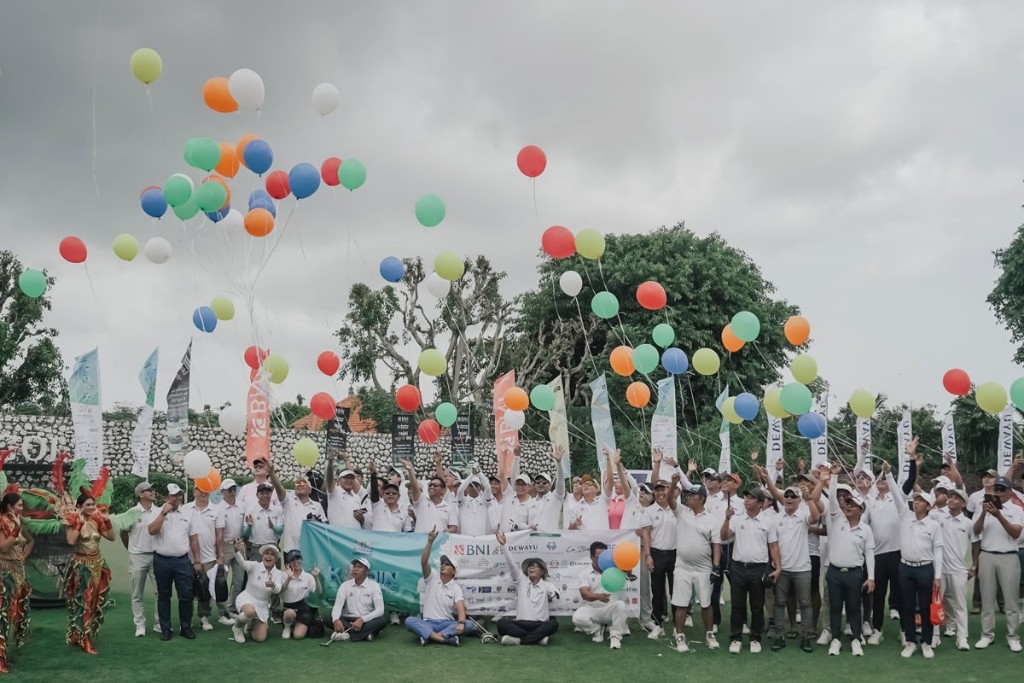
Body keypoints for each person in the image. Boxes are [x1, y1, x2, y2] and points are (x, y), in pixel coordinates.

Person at [882, 458, 944, 659]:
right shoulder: (905, 515)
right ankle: (910, 641)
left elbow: (938, 551)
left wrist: (938, 576)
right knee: (906, 606)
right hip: (905, 568)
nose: (915, 502)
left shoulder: (934, 525)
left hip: (926, 569)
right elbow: (896, 493)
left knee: (925, 606)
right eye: (915, 500)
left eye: (920, 501)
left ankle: (926, 641)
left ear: (928, 506)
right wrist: (889, 473)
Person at [760, 466, 823, 653]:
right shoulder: (776, 519)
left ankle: (805, 637)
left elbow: (816, 517)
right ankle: (780, 636)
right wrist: (777, 566)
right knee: (779, 603)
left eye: (792, 497)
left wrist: (809, 498)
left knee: (805, 603)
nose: (788, 499)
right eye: (786, 496)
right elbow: (774, 546)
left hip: (803, 568)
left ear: (798, 501)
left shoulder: (803, 515)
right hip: (783, 569)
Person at [720, 481, 781, 654]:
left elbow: (773, 546)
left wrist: (778, 567)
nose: (746, 500)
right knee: (737, 605)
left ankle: (755, 638)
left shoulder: (768, 522)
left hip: (759, 569)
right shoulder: (737, 519)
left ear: (760, 503)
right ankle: (736, 637)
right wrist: (726, 518)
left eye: (751, 498)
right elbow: (724, 536)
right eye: (746, 497)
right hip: (738, 567)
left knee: (756, 605)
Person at [824, 463, 876, 657]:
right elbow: (831, 499)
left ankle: (856, 639)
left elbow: (869, 553)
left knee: (854, 608)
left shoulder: (866, 530)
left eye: (851, 505)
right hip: (835, 572)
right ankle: (835, 640)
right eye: (846, 504)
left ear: (860, 510)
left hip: (855, 573)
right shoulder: (837, 519)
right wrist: (834, 477)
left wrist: (871, 577)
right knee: (835, 608)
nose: (846, 506)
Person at [665, 473, 721, 653]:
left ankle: (709, 634)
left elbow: (716, 546)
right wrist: (673, 484)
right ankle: (680, 636)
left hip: (704, 568)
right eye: (687, 495)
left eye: (692, 495)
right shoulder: (682, 512)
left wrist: (716, 567)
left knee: (706, 604)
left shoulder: (711, 519)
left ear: (702, 499)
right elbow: (669, 500)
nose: (688, 497)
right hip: (682, 566)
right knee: (680, 603)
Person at [972, 475, 1023, 652]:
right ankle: (986, 635)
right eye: (996, 489)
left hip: (1008, 556)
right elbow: (976, 530)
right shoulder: (983, 507)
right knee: (986, 599)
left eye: (1002, 489)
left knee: (1011, 601)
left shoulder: (1016, 509)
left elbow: (1015, 533)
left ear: (1009, 492)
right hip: (987, 555)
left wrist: (998, 514)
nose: (998, 493)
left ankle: (1013, 636)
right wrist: (985, 514)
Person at [63, 492, 115, 654]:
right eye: (88, 505)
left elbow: (111, 537)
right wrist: (79, 523)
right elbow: (71, 541)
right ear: (79, 507)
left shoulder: (96, 520)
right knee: (82, 602)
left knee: (95, 602)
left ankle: (79, 633)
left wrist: (106, 519)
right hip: (81, 567)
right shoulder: (71, 520)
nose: (92, 507)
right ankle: (83, 637)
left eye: (93, 504)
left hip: (98, 565)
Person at [405, 529, 475, 645]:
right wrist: (430, 542)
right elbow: (423, 562)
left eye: (447, 564)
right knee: (409, 621)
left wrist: (461, 623)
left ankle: (428, 636)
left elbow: (461, 607)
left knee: (468, 625)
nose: (443, 565)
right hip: (428, 622)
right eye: (443, 564)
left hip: (447, 623)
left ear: (454, 572)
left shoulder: (456, 588)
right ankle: (443, 639)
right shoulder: (432, 577)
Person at [148, 483, 197, 641]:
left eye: (179, 495)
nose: (177, 498)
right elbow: (151, 530)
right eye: (174, 495)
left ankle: (186, 627)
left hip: (182, 560)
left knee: (186, 595)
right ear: (167, 497)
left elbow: (194, 539)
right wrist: (163, 513)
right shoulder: (157, 512)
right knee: (164, 595)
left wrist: (197, 561)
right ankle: (165, 628)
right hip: (162, 560)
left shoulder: (188, 513)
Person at [495, 530, 559, 645]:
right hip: (521, 623)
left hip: (540, 623)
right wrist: (504, 545)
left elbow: (555, 594)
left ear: (542, 571)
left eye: (535, 566)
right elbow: (512, 565)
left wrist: (552, 595)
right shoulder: (521, 581)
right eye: (530, 566)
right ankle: (538, 638)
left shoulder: (547, 585)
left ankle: (519, 639)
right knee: (501, 623)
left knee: (553, 624)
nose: (531, 568)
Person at [644, 449, 680, 639]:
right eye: (657, 490)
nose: (659, 493)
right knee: (657, 591)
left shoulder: (677, 507)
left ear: (669, 491)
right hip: (657, 554)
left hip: (675, 554)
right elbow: (647, 534)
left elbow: (676, 485)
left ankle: (677, 624)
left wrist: (669, 471)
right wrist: (648, 555)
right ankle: (657, 624)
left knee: (677, 591)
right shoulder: (650, 511)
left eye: (663, 489)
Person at [182, 487, 226, 632]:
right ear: (194, 491)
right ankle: (186, 618)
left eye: (205, 489)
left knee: (204, 590)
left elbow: (219, 534)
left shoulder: (216, 510)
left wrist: (220, 556)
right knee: (187, 590)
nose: (203, 492)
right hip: (187, 557)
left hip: (209, 557)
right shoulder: (185, 508)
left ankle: (204, 617)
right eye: (199, 489)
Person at [120, 481, 161, 637]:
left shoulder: (159, 511)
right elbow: (124, 533)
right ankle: (140, 624)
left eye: (152, 489)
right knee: (137, 593)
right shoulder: (132, 512)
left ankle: (158, 623)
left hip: (156, 556)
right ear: (140, 494)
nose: (152, 492)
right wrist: (132, 549)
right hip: (137, 557)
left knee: (160, 592)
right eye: (148, 490)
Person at [572, 541, 629, 649]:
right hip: (593, 609)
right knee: (577, 618)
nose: (603, 560)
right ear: (591, 557)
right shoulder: (585, 573)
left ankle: (615, 637)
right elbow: (585, 594)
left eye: (604, 556)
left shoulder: (615, 569)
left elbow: (629, 571)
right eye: (599, 557)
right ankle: (597, 630)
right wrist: (599, 596)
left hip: (610, 610)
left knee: (621, 605)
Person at [937, 487, 974, 650]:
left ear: (964, 504)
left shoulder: (968, 523)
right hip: (938, 570)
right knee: (936, 604)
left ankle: (962, 638)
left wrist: (974, 566)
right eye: (951, 497)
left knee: (960, 606)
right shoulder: (938, 516)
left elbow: (976, 544)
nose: (951, 499)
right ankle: (934, 636)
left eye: (956, 498)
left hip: (959, 570)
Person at [0, 491, 32, 673]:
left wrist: (24, 555)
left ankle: (6, 652)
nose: (22, 508)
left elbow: (30, 541)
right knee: (2, 616)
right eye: (19, 505)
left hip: (18, 573)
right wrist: (15, 529)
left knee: (16, 615)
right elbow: (2, 546)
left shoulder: (19, 522)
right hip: (3, 573)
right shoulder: (2, 522)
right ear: (10, 507)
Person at [232, 544, 287, 643]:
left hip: (262, 605)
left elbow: (278, 590)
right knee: (249, 612)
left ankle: (250, 623)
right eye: (266, 553)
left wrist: (273, 585)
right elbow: (243, 564)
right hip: (247, 598)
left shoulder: (278, 574)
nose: (268, 556)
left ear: (276, 559)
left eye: (272, 555)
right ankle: (237, 627)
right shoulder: (254, 565)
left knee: (260, 638)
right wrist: (236, 551)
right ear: (262, 556)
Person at [268, 459, 326, 552]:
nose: (300, 485)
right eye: (297, 483)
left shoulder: (317, 506)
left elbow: (324, 527)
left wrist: (317, 523)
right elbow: (279, 487)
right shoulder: (288, 500)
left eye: (303, 483)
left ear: (310, 490)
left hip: (310, 550)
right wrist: (271, 472)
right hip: (290, 550)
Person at [329, 558, 387, 642]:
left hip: (366, 620)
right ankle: (367, 633)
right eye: (354, 566)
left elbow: (380, 610)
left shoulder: (374, 586)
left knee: (382, 620)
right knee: (329, 617)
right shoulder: (345, 585)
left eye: (360, 567)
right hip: (348, 619)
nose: (355, 569)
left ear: (366, 572)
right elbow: (338, 606)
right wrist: (336, 620)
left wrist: (362, 619)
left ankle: (348, 635)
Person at [217, 479, 246, 623]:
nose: (232, 491)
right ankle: (222, 613)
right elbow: (218, 533)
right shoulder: (219, 508)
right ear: (222, 492)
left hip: (239, 544)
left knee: (239, 580)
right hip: (225, 545)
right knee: (222, 580)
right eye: (229, 489)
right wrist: (220, 552)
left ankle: (233, 608)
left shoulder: (242, 506)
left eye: (234, 488)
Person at [280, 549, 322, 640]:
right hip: (288, 608)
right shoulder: (283, 575)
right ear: (288, 563)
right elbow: (280, 591)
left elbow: (318, 592)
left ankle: (296, 625)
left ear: (301, 560)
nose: (295, 562)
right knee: (289, 613)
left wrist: (316, 577)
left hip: (302, 609)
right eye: (292, 560)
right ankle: (287, 627)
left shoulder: (308, 576)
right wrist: (288, 579)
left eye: (297, 559)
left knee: (298, 636)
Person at [408, 460, 458, 534]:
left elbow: (454, 527)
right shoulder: (421, 501)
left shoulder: (449, 507)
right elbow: (415, 488)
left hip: (440, 543)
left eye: (435, 485)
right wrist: (410, 471)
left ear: (442, 490)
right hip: (421, 543)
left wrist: (447, 531)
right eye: (430, 485)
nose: (431, 487)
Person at [326, 452, 371, 529]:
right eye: (346, 478)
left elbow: (360, 520)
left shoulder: (356, 497)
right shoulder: (334, 492)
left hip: (355, 536)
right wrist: (330, 464)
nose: (349, 480)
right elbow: (329, 480)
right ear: (339, 480)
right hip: (339, 536)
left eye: (351, 478)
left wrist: (361, 518)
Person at [242, 483, 284, 559]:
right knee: (255, 570)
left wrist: (273, 527)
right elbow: (246, 534)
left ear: (271, 494)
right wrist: (249, 526)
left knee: (275, 571)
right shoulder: (250, 510)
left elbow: (280, 530)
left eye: (267, 493)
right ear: (257, 495)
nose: (265, 496)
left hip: (273, 547)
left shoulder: (277, 510)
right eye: (262, 493)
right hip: (256, 548)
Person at [531, 445, 567, 532]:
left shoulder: (555, 498)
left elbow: (560, 480)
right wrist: (528, 527)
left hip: (550, 541)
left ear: (550, 485)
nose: (540, 484)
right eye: (538, 482)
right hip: (532, 541)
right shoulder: (530, 502)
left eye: (544, 482)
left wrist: (559, 462)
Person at [368, 462, 413, 533]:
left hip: (395, 544)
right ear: (382, 494)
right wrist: (373, 475)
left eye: (394, 493)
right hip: (378, 543)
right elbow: (374, 492)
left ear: (399, 496)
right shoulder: (377, 505)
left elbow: (408, 533)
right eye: (388, 493)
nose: (391, 494)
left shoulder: (404, 512)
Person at [455, 468, 492, 536]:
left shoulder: (484, 501)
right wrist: (472, 474)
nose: (473, 488)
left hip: (481, 539)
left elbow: (488, 488)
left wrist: (479, 472)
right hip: (465, 539)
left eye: (476, 485)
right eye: (471, 486)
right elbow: (460, 490)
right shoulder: (463, 501)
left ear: (480, 488)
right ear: (467, 488)